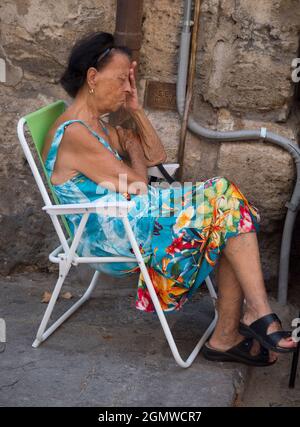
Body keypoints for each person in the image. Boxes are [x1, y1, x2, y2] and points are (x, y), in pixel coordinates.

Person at [42, 32, 296, 367]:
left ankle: (241, 325)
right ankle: (248, 320)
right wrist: (132, 149)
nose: (126, 89)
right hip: (107, 234)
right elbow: (137, 183)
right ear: (92, 77)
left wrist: (135, 110)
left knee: (230, 207)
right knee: (227, 205)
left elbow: (156, 155)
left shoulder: (97, 125)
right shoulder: (75, 131)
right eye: (121, 80)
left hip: (131, 215)